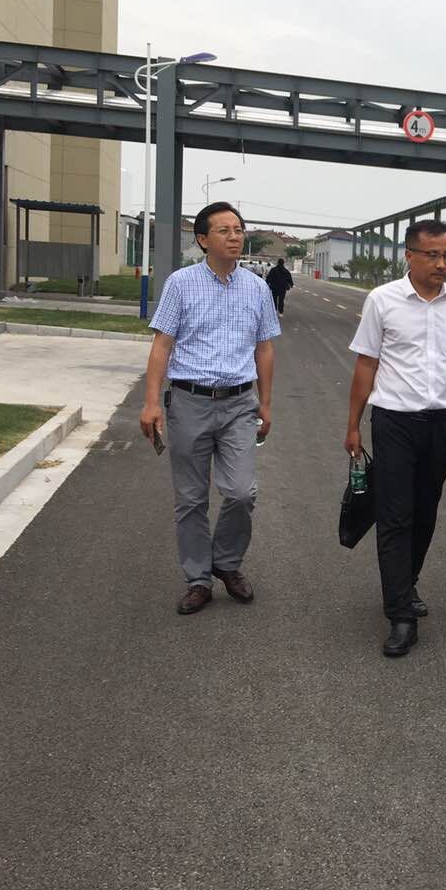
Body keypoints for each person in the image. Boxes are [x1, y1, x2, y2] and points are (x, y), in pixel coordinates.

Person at [345, 219, 446, 658]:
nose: (441, 264)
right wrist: (353, 425)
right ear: (409, 256)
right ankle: (400, 616)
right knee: (395, 516)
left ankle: (406, 584)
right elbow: (366, 364)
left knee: (425, 512)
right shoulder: (382, 300)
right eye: (432, 255)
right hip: (394, 423)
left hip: (441, 425)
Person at [138, 202, 280, 615]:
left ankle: (227, 562)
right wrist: (151, 402)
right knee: (191, 499)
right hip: (189, 402)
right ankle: (198, 579)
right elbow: (162, 344)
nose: (235, 237)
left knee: (241, 492)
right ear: (202, 240)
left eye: (238, 229)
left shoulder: (257, 288)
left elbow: (264, 348)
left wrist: (266, 403)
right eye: (224, 230)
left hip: (239, 404)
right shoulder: (180, 284)